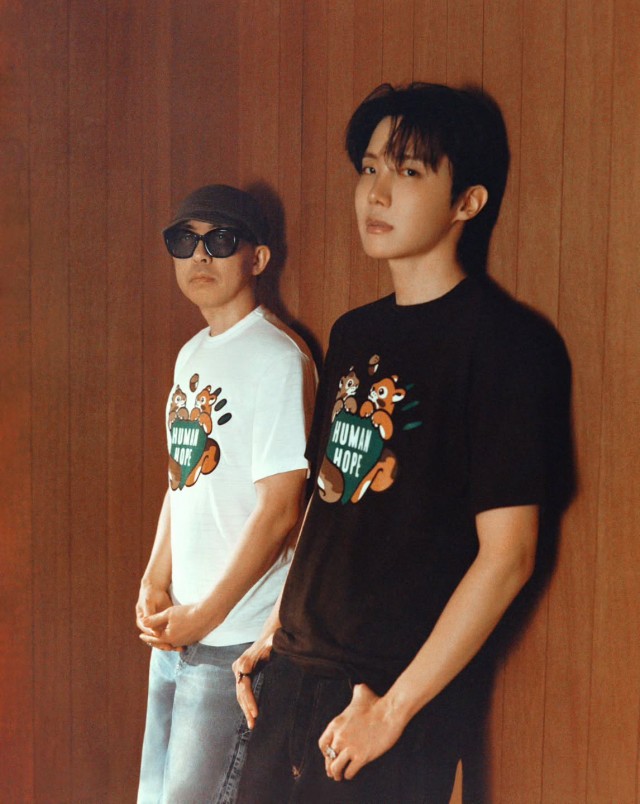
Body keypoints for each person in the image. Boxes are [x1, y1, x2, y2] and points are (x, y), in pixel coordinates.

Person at [231, 83, 571, 802]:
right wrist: (276, 629)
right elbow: (332, 503)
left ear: (467, 202)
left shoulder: (506, 344)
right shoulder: (356, 332)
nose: (376, 193)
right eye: (369, 168)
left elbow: (508, 557)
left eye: (409, 171)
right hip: (292, 673)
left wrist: (392, 710)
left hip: (386, 697)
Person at [135, 184, 316, 803]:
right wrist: (154, 579)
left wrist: (205, 616)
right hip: (178, 629)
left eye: (220, 240)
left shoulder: (278, 358)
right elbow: (181, 478)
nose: (200, 255)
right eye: (184, 241)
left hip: (232, 637)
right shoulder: (191, 354)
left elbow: (280, 511)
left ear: (257, 258)